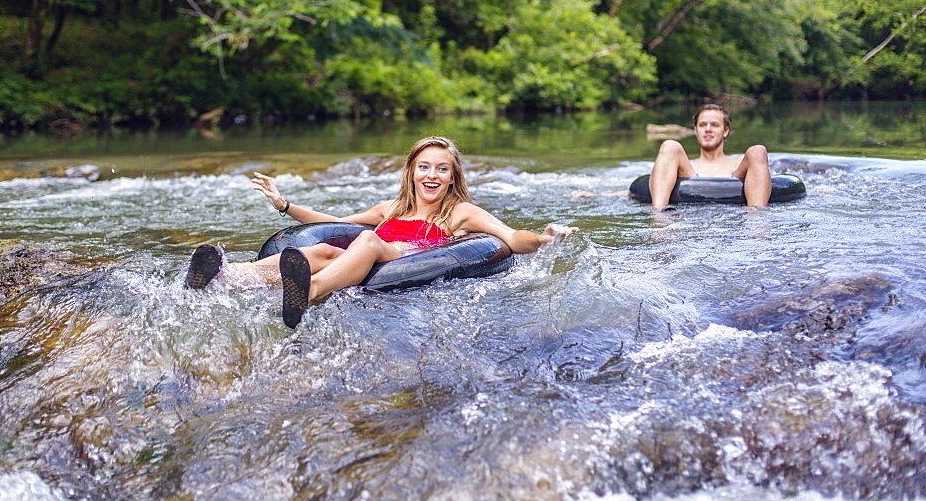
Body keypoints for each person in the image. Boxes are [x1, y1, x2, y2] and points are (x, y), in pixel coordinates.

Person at [186, 136, 578, 328]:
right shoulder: (388, 209)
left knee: (369, 239)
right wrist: (284, 205)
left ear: (452, 176)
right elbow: (329, 220)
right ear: (412, 170)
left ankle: (308, 293)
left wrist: (544, 239)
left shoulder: (460, 211)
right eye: (425, 166)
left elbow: (510, 238)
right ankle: (225, 277)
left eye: (442, 168)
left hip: (408, 259)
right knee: (323, 249)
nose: (432, 175)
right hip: (367, 259)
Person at [648, 103, 772, 209]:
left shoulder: (742, 161)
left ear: (725, 131)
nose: (708, 129)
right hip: (691, 212)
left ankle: (757, 222)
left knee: (758, 151)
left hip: (737, 211)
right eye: (702, 125)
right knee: (670, 146)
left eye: (714, 125)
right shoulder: (681, 166)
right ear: (696, 130)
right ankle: (659, 217)